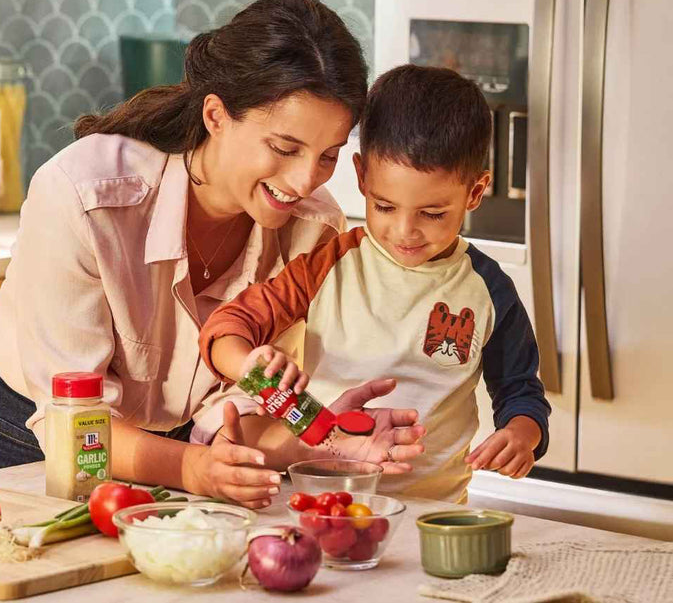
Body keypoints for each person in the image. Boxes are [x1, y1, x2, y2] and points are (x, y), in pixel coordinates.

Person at [0, 0, 428, 510]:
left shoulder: (313, 228)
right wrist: (191, 469)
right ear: (216, 115)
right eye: (285, 149)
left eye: (327, 155)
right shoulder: (83, 197)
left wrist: (330, 438)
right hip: (26, 435)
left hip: (184, 446)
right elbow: (72, 423)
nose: (304, 179)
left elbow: (248, 404)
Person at [198, 65, 552, 502]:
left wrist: (522, 434)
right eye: (384, 206)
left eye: (432, 214)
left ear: (475, 193)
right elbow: (227, 326)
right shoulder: (330, 264)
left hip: (431, 508)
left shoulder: (488, 290)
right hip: (322, 496)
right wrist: (252, 363)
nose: (405, 231)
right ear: (362, 177)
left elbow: (520, 390)